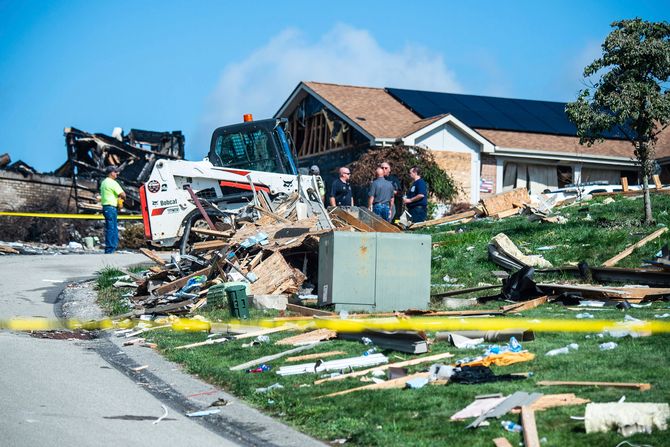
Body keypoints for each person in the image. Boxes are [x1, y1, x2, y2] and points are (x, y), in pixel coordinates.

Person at [100, 165, 126, 253]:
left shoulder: (104, 182)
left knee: (111, 227)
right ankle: (110, 249)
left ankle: (111, 248)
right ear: (111, 173)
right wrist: (122, 199)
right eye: (115, 172)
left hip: (105, 207)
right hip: (111, 207)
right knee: (112, 228)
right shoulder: (113, 182)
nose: (117, 174)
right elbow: (123, 194)